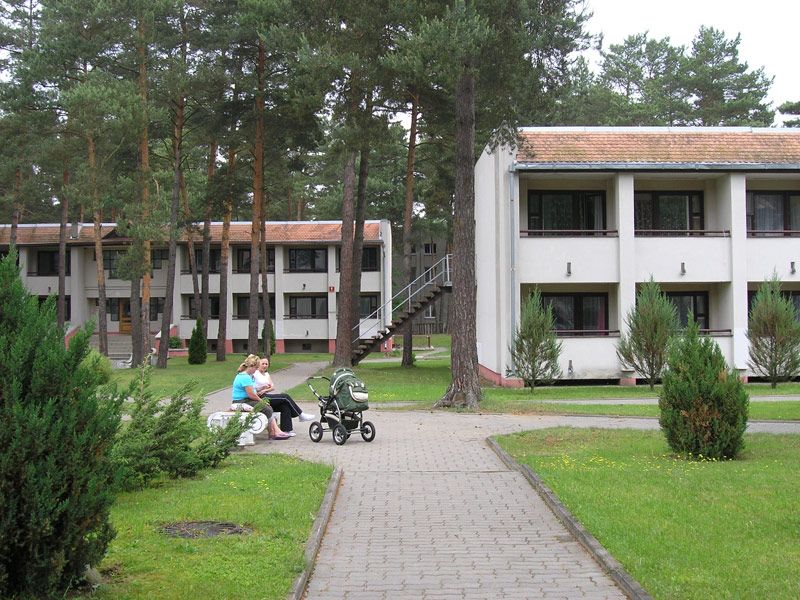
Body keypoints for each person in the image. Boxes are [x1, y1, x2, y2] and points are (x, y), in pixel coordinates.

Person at [232, 354, 290, 440]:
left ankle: (274, 432)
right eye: (256, 368)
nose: (256, 370)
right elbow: (251, 394)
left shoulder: (246, 376)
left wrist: (262, 388)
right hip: (242, 401)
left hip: (247, 400)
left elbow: (252, 391)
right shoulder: (245, 377)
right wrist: (261, 401)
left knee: (267, 407)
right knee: (266, 408)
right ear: (251, 366)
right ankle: (274, 432)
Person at [253, 356, 315, 437]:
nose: (265, 365)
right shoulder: (255, 373)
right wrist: (263, 388)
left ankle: (286, 430)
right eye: (263, 364)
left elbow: (272, 387)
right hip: (260, 398)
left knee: (284, 405)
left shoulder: (266, 374)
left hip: (265, 394)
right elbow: (253, 388)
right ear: (259, 364)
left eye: (266, 364)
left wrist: (264, 390)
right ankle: (301, 414)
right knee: (285, 397)